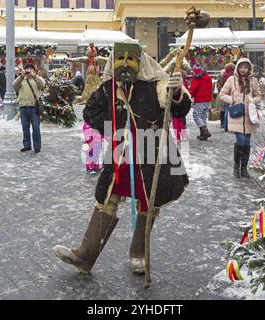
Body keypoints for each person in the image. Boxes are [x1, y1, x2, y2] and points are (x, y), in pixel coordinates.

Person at [52, 40, 191, 275]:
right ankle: (85, 256)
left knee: (149, 202)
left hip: (153, 153)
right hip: (121, 154)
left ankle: (139, 254)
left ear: (140, 62)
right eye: (120, 59)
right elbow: (90, 112)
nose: (125, 64)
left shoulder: (156, 84)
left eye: (131, 60)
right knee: (107, 198)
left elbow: (178, 109)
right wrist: (114, 125)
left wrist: (177, 92)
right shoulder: (108, 88)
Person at [219, 58, 262, 179]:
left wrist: (253, 100)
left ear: (249, 69)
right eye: (241, 67)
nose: (243, 69)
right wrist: (232, 100)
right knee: (241, 140)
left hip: (249, 116)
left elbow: (259, 96)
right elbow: (222, 94)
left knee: (247, 142)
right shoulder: (231, 80)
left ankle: (244, 169)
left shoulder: (253, 81)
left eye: (245, 67)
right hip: (236, 115)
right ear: (237, 68)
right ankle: (236, 168)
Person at [13, 64, 46, 154]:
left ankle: (37, 146)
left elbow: (43, 84)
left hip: (34, 107)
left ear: (34, 70)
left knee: (36, 127)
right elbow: (14, 85)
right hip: (23, 107)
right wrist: (21, 76)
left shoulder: (36, 79)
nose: (28, 70)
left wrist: (35, 76)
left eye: (30, 69)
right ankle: (27, 145)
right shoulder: (21, 79)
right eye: (27, 69)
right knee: (25, 127)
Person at [189, 64, 213, 141]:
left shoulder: (196, 78)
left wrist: (189, 96)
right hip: (207, 99)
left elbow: (193, 89)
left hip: (200, 99)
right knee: (203, 116)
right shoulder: (207, 77)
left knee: (196, 115)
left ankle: (205, 131)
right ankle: (203, 135)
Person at [216, 63, 235, 130]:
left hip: (223, 94)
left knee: (223, 109)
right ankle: (229, 124)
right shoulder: (234, 75)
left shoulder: (222, 74)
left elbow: (218, 83)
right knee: (230, 109)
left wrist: (221, 91)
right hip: (232, 94)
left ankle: (223, 124)